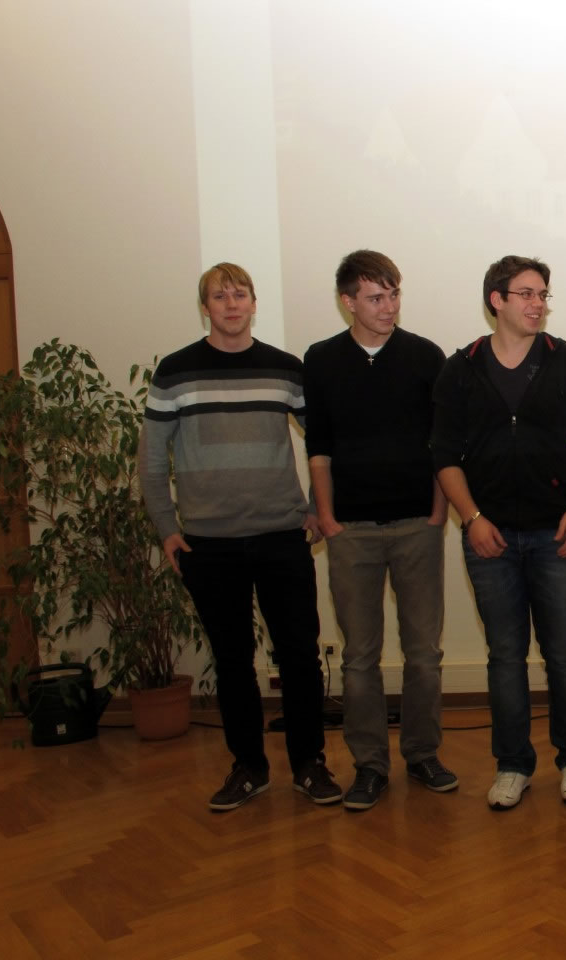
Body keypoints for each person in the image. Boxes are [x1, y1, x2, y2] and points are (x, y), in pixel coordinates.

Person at [138, 262, 340, 811]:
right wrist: (167, 529)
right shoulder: (175, 372)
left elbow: (324, 443)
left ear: (254, 303)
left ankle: (309, 764)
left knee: (299, 657)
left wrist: (318, 510)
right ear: (205, 306)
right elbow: (151, 462)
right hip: (209, 544)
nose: (231, 304)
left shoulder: (285, 368)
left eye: (240, 294)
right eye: (219, 295)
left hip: (281, 536)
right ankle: (249, 767)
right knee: (232, 661)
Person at [431, 255, 566, 810]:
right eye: (527, 294)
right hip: (490, 539)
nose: (538, 304)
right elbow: (444, 455)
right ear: (497, 300)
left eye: (543, 294)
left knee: (565, 654)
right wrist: (472, 518)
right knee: (505, 656)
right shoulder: (462, 367)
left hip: (556, 535)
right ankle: (512, 765)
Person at [302, 250, 456, 812]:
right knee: (359, 658)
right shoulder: (321, 360)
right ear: (348, 302)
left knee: (424, 654)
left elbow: (443, 444)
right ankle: (370, 766)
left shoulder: (425, 356)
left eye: (393, 295)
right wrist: (328, 519)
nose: (388, 307)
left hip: (418, 526)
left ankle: (422, 754)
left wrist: (438, 513)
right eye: (375, 297)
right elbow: (318, 447)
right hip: (351, 530)